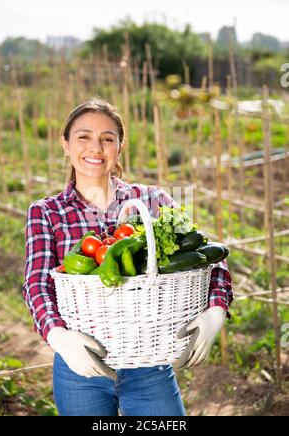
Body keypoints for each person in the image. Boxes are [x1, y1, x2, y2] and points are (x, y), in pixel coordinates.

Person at [22, 97, 233, 416]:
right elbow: (36, 284)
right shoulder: (46, 212)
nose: (96, 148)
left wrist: (216, 310)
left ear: (119, 147)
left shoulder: (150, 199)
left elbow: (209, 256)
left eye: (108, 139)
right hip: (81, 364)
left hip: (149, 364)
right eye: (83, 137)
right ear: (65, 144)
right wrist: (58, 335)